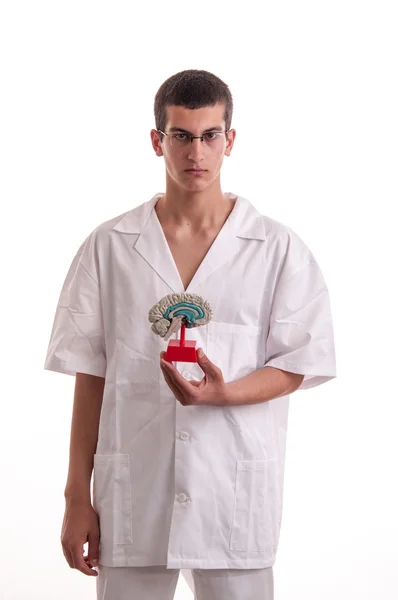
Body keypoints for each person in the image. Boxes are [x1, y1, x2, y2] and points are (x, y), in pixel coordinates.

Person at [44, 69, 337, 600]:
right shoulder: (110, 246)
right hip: (134, 488)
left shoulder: (275, 248)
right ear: (158, 141)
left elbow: (299, 361)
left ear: (230, 140)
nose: (195, 152)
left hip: (233, 486)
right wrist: (75, 498)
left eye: (210, 135)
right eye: (181, 135)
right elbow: (91, 375)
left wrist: (227, 393)